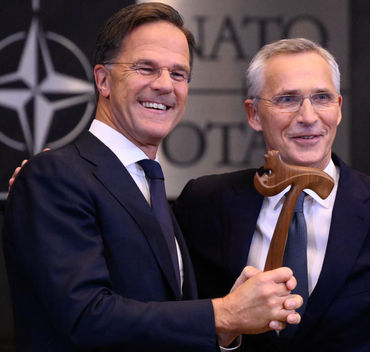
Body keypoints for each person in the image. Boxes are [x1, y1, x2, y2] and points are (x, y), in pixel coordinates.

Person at [2, 3, 303, 351]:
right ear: (103, 80)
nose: (165, 85)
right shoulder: (54, 176)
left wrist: (224, 332)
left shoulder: (151, 186)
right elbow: (82, 318)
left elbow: (162, 321)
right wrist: (223, 313)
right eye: (146, 68)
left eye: (179, 74)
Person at [174, 38, 370, 351]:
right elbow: (177, 328)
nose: (308, 116)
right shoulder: (205, 202)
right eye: (287, 99)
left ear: (339, 109)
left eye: (322, 97)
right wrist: (226, 334)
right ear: (253, 114)